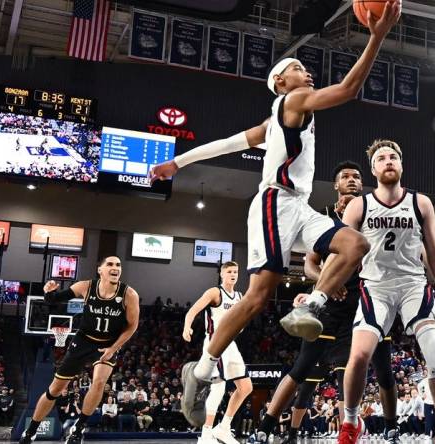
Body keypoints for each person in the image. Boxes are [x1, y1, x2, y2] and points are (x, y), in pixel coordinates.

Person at [149, 0, 402, 397]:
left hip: (299, 206)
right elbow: (350, 90)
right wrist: (377, 36)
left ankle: (312, 304)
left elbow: (228, 143)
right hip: (274, 203)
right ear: (281, 83)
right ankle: (200, 370)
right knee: (258, 296)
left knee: (355, 244)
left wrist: (178, 161)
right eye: (299, 69)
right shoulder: (293, 101)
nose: (308, 72)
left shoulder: (277, 120)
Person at [249, 162, 398, 444]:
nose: (352, 180)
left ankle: (391, 430)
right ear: (336, 185)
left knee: (383, 367)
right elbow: (309, 266)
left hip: (369, 300)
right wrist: (328, 283)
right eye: (345, 176)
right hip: (331, 305)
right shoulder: (323, 218)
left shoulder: (375, 215)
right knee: (301, 367)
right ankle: (265, 428)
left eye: (356, 177)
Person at [337, 139, 435, 444]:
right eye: (381, 158)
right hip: (375, 288)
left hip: (413, 286)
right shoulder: (359, 205)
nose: (388, 161)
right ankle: (350, 422)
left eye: (393, 156)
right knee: (358, 359)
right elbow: (339, 255)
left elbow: (434, 253)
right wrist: (320, 291)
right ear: (373, 169)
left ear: (401, 164)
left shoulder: (420, 203)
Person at [19, 256, 140, 444]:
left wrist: (114, 347)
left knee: (99, 383)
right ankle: (31, 430)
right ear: (100, 270)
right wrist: (48, 290)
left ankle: (79, 427)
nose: (115, 267)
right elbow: (53, 300)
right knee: (55, 389)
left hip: (108, 344)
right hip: (83, 341)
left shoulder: (129, 294)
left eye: (118, 264)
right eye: (110, 264)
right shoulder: (86, 286)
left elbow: (132, 326)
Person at [181, 262, 253, 444]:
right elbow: (193, 310)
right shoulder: (215, 292)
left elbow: (242, 321)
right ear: (222, 274)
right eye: (229, 271)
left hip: (231, 345)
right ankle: (205, 434)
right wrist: (187, 326)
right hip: (215, 343)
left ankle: (223, 428)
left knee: (246, 387)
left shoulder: (240, 296)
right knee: (219, 387)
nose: (233, 274)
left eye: (236, 271)